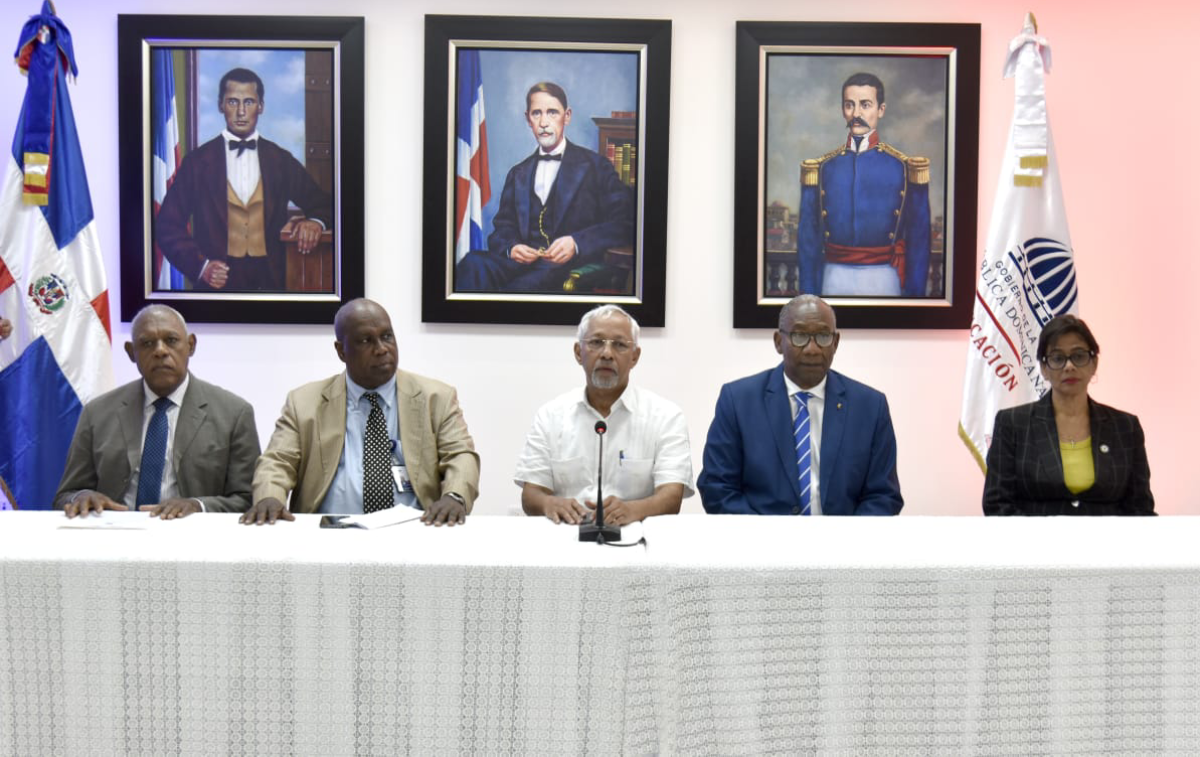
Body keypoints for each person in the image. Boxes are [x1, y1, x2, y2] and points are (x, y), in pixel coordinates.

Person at [244, 298, 479, 526]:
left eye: (387, 337)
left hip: (415, 529)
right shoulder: (305, 402)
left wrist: (454, 496)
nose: (381, 349)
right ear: (341, 351)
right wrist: (269, 497)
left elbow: (460, 455)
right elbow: (277, 461)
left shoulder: (435, 397)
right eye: (366, 341)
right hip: (329, 534)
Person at [698, 294, 903, 515]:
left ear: (835, 343)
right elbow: (717, 489)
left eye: (823, 336)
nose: (812, 349)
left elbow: (883, 495)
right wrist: (767, 540)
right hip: (761, 543)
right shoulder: (738, 401)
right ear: (778, 341)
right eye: (799, 336)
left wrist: (846, 542)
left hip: (843, 544)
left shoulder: (870, 407)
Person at [54, 305, 260, 518]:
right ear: (131, 352)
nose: (160, 351)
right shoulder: (97, 413)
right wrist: (83, 496)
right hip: (116, 539)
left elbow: (248, 500)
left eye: (171, 340)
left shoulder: (234, 413)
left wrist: (198, 506)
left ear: (190, 345)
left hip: (195, 540)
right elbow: (65, 495)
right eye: (147, 343)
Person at [156, 67, 333, 292]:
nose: (241, 111)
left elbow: (324, 203)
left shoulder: (280, 160)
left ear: (261, 107)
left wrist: (315, 222)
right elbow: (167, 225)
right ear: (221, 105)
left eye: (248, 102)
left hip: (272, 283)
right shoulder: (197, 163)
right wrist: (201, 267)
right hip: (215, 287)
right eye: (232, 102)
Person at [517, 304, 693, 526]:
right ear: (578, 353)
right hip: (565, 538)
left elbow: (672, 496)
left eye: (619, 345)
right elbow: (531, 494)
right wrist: (548, 504)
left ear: (635, 357)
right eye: (596, 342)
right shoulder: (551, 415)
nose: (607, 354)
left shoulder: (666, 416)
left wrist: (632, 510)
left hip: (637, 543)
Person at [455, 81, 634, 293]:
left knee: (518, 291)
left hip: (566, 267)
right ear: (527, 119)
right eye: (536, 113)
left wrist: (576, 243)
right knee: (472, 263)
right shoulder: (518, 172)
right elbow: (502, 229)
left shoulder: (596, 167)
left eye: (552, 113)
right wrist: (512, 248)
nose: (544, 122)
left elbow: (625, 222)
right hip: (521, 264)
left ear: (567, 116)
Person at [983, 315, 1154, 515]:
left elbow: (1140, 509)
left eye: (1079, 356)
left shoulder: (1125, 427)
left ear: (1094, 364)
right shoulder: (1013, 424)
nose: (1069, 366)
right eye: (1057, 358)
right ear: (1044, 368)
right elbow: (997, 506)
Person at [797, 72, 932, 297]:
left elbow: (919, 241)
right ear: (843, 110)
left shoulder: (905, 167)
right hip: (832, 279)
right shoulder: (822, 168)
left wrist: (914, 300)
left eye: (865, 105)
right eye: (850, 105)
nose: (856, 114)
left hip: (884, 279)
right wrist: (808, 296)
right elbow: (808, 241)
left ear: (881, 109)